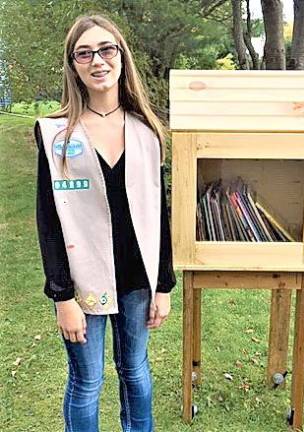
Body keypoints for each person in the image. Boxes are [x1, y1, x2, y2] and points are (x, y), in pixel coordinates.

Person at [34, 14, 176, 432]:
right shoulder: (57, 136)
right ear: (73, 65)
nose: (97, 60)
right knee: (87, 380)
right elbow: (49, 223)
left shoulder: (147, 132)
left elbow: (159, 214)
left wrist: (163, 285)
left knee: (135, 371)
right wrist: (62, 297)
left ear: (121, 56)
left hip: (136, 279)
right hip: (84, 283)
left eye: (106, 49)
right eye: (84, 53)